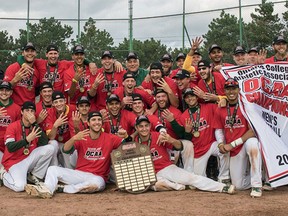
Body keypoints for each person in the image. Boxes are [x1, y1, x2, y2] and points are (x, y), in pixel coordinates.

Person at [24, 111, 129, 198]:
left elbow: (128, 146)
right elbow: (65, 150)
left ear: (102, 122)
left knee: (96, 185)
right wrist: (74, 139)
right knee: (53, 169)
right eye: (93, 120)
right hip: (80, 174)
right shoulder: (82, 136)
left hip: (98, 177)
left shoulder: (110, 138)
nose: (96, 122)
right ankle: (47, 189)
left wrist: (126, 136)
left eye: (99, 120)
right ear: (88, 123)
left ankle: (62, 188)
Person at [133, 115, 235, 194]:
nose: (144, 129)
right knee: (158, 184)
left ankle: (222, 188)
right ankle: (179, 186)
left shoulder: (158, 136)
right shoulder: (133, 144)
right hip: (150, 174)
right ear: (136, 128)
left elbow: (180, 147)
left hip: (166, 168)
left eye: (146, 125)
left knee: (192, 178)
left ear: (150, 126)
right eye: (141, 126)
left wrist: (171, 140)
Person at [213, 78, 262, 198]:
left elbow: (252, 132)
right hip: (234, 149)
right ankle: (263, 177)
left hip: (244, 143)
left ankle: (257, 184)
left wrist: (232, 144)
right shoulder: (220, 108)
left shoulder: (246, 106)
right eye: (228, 89)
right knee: (238, 185)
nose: (231, 92)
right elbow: (218, 129)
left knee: (253, 144)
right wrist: (220, 144)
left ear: (239, 90)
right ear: (224, 91)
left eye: (234, 89)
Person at [0, 101, 57, 191]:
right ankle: (4, 175)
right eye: (27, 110)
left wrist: (35, 123)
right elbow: (10, 147)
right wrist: (27, 140)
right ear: (22, 112)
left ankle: (35, 176)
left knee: (50, 148)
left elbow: (44, 143)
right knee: (20, 187)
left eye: (32, 111)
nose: (30, 113)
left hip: (28, 158)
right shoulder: (13, 126)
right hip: (14, 162)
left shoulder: (34, 127)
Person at [179, 88, 230, 182]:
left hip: (211, 144)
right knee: (199, 179)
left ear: (197, 97)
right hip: (198, 150)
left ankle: (224, 177)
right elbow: (187, 140)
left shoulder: (209, 107)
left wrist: (223, 99)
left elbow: (226, 104)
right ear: (185, 100)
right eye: (187, 97)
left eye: (192, 96)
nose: (190, 99)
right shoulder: (183, 116)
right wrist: (187, 131)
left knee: (224, 149)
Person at [45, 91, 76, 168]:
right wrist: (55, 125)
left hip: (69, 142)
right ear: (52, 104)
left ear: (65, 101)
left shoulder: (73, 109)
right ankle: (55, 168)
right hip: (57, 142)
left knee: (69, 166)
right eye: (56, 102)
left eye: (61, 101)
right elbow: (51, 137)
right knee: (52, 144)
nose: (59, 104)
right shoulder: (50, 112)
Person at [0, 81, 21, 165]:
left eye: (7, 90)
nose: (4, 92)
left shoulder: (17, 108)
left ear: (11, 92)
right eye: (1, 90)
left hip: (8, 143)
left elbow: (18, 129)